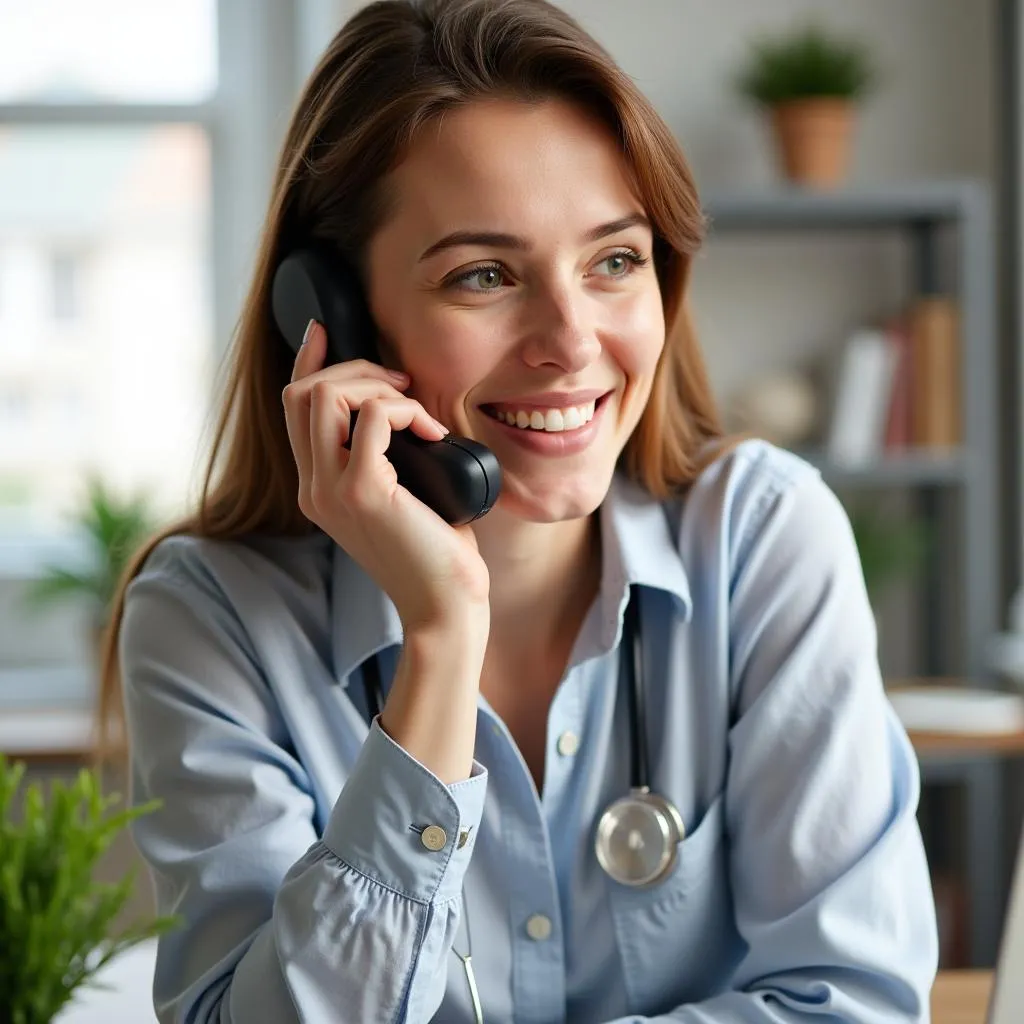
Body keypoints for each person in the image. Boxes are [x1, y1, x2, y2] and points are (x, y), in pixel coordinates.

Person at [101, 0, 939, 1020]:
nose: (573, 341)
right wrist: (442, 641)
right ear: (331, 317)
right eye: (485, 275)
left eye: (614, 261)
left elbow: (852, 1001)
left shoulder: (761, 537)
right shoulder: (211, 617)